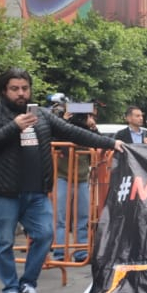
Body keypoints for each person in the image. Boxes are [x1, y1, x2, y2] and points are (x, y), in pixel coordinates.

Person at [0, 69, 124, 293]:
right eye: (15, 89)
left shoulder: (41, 116)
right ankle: (10, 288)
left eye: (25, 88)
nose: (21, 93)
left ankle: (28, 283)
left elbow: (74, 133)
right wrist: (14, 126)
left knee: (45, 235)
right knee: (4, 242)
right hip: (4, 191)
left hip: (36, 192)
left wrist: (111, 143)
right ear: (4, 90)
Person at [53, 109, 102, 263]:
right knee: (60, 218)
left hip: (81, 179)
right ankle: (59, 253)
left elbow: (99, 142)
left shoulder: (88, 132)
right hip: (62, 178)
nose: (90, 118)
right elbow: (56, 138)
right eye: (88, 116)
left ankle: (81, 252)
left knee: (83, 218)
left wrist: (93, 127)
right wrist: (65, 120)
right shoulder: (64, 129)